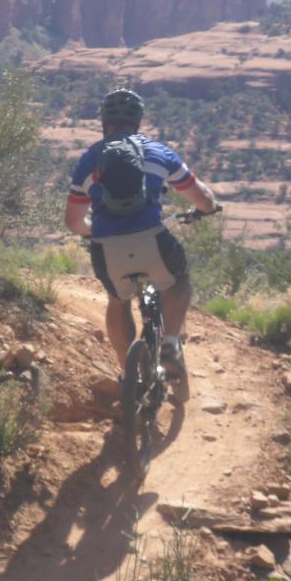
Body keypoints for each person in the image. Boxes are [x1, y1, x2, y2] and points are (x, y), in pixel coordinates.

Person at [64, 88, 219, 379]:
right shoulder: (158, 152)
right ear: (138, 121)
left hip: (107, 247)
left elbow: (73, 221)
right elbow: (201, 198)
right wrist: (209, 208)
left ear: (103, 121)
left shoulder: (89, 160)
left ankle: (129, 374)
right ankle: (171, 344)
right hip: (152, 239)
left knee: (118, 300)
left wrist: (91, 232)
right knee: (178, 280)